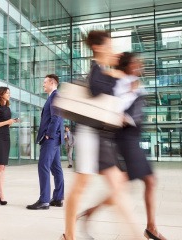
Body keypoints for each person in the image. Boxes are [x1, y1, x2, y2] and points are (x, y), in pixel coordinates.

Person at [62, 31, 141, 240]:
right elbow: (96, 90)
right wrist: (114, 75)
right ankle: (69, 235)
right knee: (80, 188)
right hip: (90, 136)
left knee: (117, 187)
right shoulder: (96, 70)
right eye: (108, 45)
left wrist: (119, 77)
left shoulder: (104, 70)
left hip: (103, 137)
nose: (111, 49)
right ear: (98, 48)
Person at [80, 52, 167, 240]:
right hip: (123, 139)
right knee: (137, 183)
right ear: (127, 65)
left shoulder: (135, 84)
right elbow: (114, 107)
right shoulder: (119, 82)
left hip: (133, 138)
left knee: (136, 183)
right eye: (136, 64)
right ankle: (149, 227)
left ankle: (149, 226)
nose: (139, 67)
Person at [26, 74, 64, 210]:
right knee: (56, 168)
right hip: (54, 139)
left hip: (51, 139)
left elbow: (56, 117)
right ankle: (58, 198)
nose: (43, 84)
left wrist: (49, 134)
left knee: (43, 166)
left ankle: (44, 200)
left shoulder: (55, 96)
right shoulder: (53, 97)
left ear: (52, 83)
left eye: (45, 82)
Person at [0, 87, 18, 206]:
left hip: (6, 137)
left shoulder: (8, 108)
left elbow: (6, 124)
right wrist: (7, 122)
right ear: (1, 94)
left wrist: (11, 122)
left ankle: (1, 193)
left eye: (9, 93)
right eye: (7, 93)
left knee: (3, 167)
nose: (9, 94)